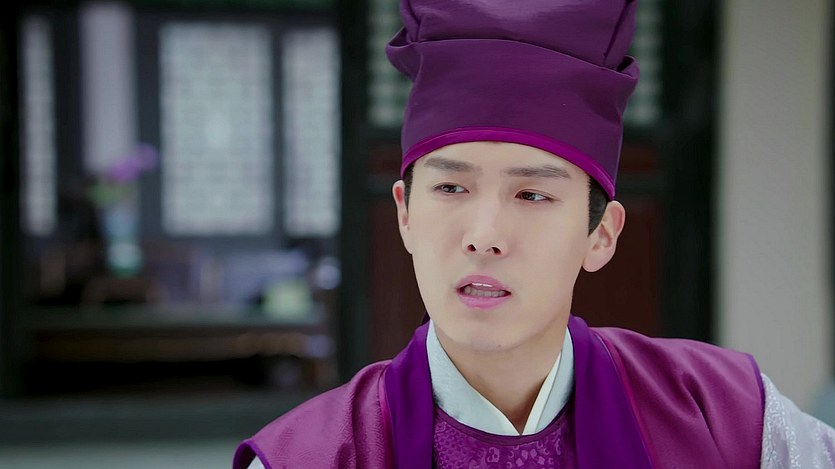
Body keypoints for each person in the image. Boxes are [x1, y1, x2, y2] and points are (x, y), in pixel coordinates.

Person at [233, 1, 835, 467]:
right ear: (405, 214)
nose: (485, 236)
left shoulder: (728, 416)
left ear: (601, 235)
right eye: (452, 187)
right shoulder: (311, 456)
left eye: (532, 195)